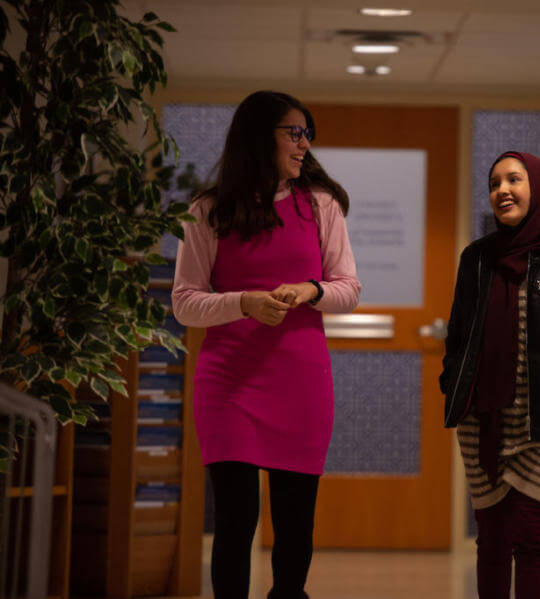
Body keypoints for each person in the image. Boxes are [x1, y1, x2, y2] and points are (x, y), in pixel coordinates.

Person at [172, 90, 361, 599]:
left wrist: (310, 290)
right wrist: (243, 303)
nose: (304, 145)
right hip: (229, 382)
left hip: (300, 382)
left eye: (307, 134)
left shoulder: (320, 205)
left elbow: (348, 289)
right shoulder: (208, 210)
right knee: (235, 521)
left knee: (295, 526)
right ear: (261, 137)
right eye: (293, 133)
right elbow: (185, 303)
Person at [440, 151, 540, 599]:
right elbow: (457, 338)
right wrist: (453, 386)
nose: (502, 190)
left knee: (533, 542)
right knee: (491, 541)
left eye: (514, 179)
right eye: (494, 183)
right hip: (483, 426)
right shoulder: (476, 259)